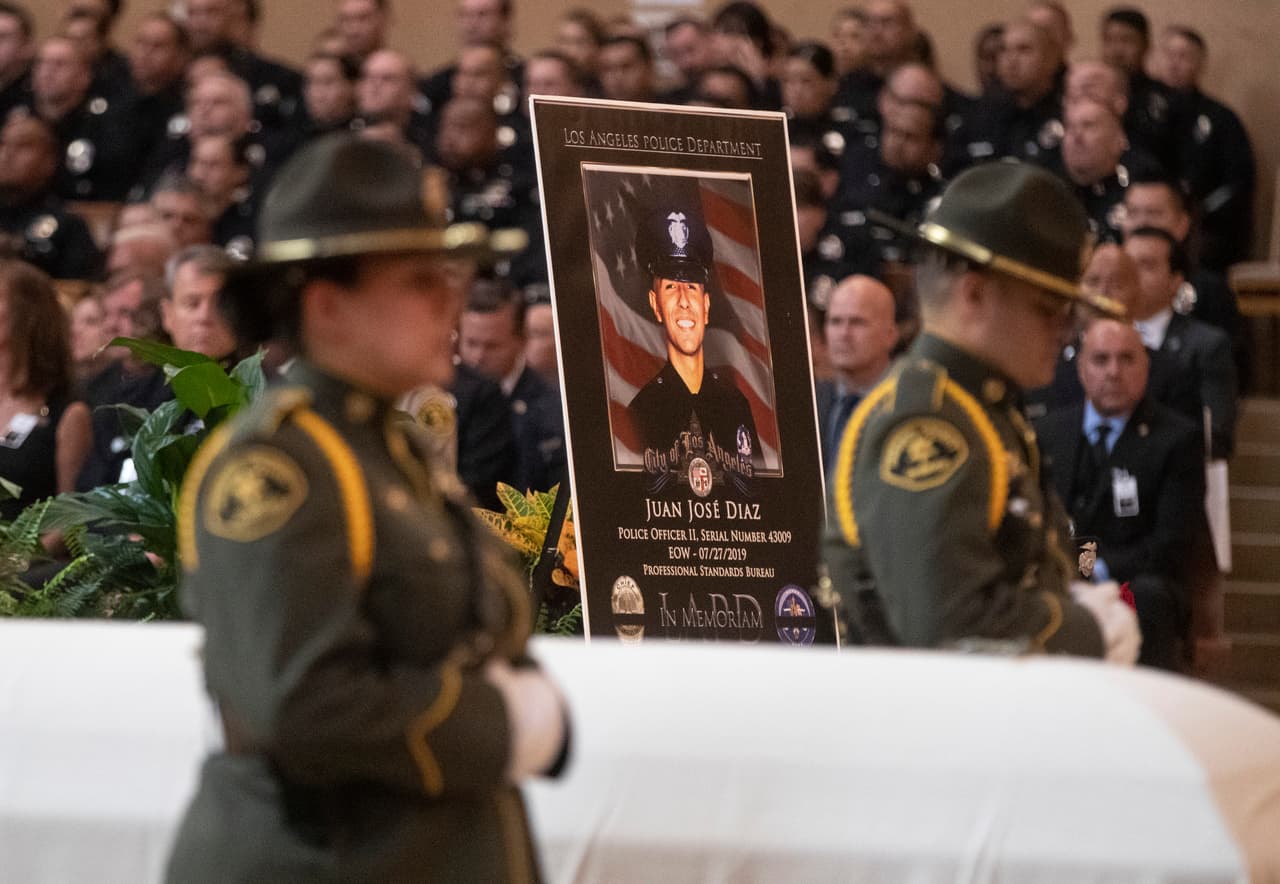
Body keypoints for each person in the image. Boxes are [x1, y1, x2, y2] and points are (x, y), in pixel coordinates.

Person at [165, 134, 569, 883]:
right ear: (327, 306)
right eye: (420, 280)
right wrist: (502, 724)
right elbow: (307, 707)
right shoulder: (278, 466)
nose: (449, 303)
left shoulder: (386, 444)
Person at [822, 161, 1139, 664]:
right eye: (1046, 307)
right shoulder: (928, 424)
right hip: (926, 730)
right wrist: (1081, 629)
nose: (1065, 328)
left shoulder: (978, 408)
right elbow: (950, 624)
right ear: (974, 292)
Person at [1036, 318, 1205, 670]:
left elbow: (1170, 543)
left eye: (1127, 359)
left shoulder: (1177, 439)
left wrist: (1088, 569)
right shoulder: (1048, 433)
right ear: (1081, 369)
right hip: (1058, 572)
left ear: (1146, 367)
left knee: (1149, 595)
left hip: (1134, 578)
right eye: (1101, 360)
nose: (1113, 372)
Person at [626, 203, 759, 494]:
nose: (684, 301)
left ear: (707, 306)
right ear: (655, 305)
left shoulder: (735, 405)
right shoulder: (643, 411)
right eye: (672, 288)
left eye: (693, 287)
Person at [0, 259, 91, 523]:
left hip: (29, 560)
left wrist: (16, 561)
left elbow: (70, 521)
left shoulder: (68, 413)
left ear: (28, 315)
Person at [815, 275, 898, 473]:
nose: (843, 334)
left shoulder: (909, 403)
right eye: (835, 321)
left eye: (857, 322)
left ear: (890, 335)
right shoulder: (811, 402)